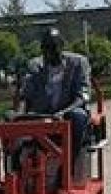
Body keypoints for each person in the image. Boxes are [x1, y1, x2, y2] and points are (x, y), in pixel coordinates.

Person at [18, 28, 92, 160]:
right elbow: (26, 94)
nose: (49, 52)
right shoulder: (34, 65)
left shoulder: (79, 63)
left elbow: (83, 95)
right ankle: (17, 165)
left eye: (53, 47)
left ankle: (69, 162)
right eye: (45, 48)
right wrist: (19, 114)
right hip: (41, 114)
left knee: (78, 116)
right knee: (9, 120)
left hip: (69, 112)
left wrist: (62, 113)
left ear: (61, 46)